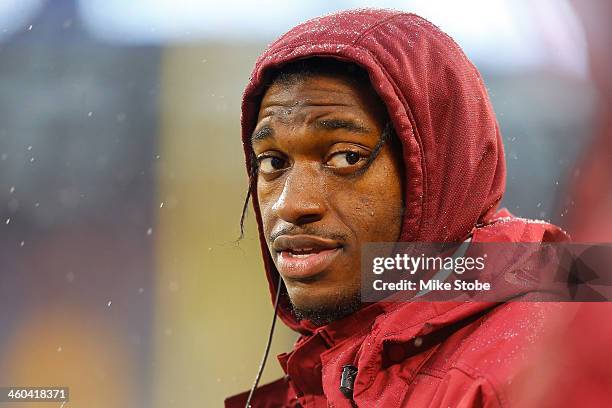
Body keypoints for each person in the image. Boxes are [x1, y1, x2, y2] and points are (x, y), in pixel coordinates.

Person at [226, 9, 570, 407]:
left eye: (345, 158)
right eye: (273, 162)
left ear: (440, 166)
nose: (292, 204)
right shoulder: (341, 359)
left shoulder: (520, 375)